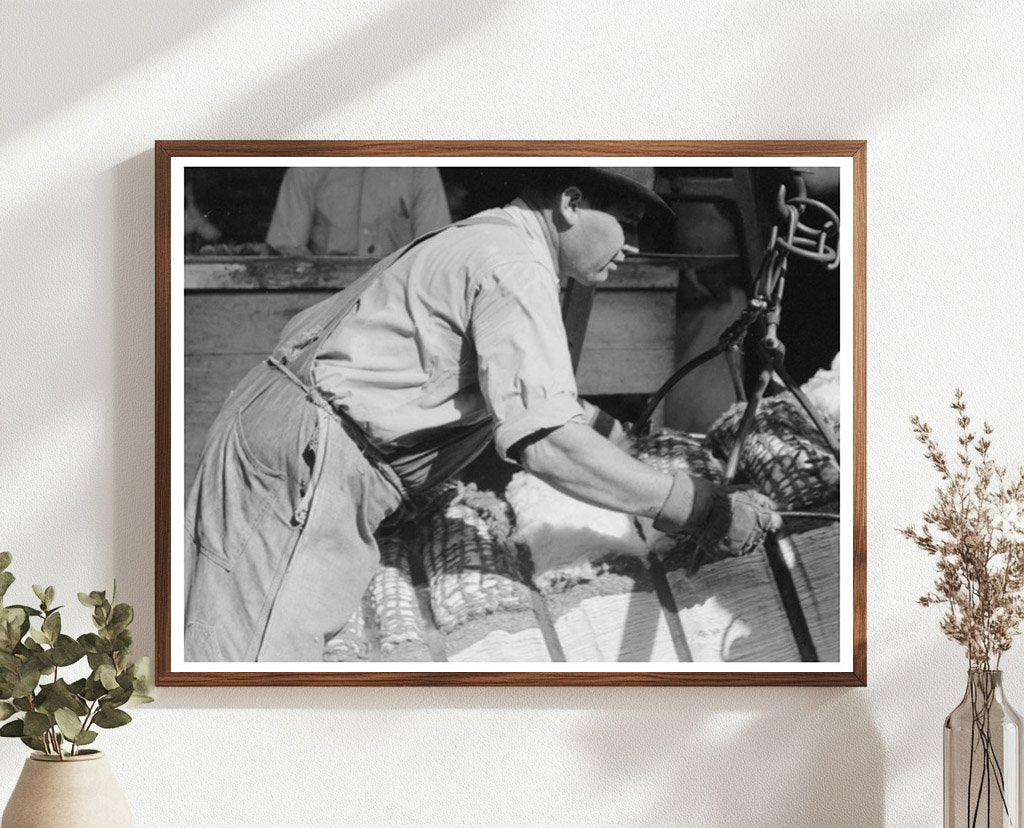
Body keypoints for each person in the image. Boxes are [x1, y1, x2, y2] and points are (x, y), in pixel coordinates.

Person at [185, 167, 775, 662]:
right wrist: (698, 508)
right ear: (570, 204)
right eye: (627, 223)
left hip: (289, 436)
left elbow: (517, 390)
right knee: (254, 667)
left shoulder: (491, 238)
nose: (634, 247)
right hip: (306, 458)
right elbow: (549, 446)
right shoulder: (516, 266)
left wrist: (617, 435)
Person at [265, 166, 451, 257]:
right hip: (325, 303)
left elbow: (434, 252)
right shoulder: (309, 167)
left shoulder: (419, 169)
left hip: (395, 301)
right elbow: (287, 247)